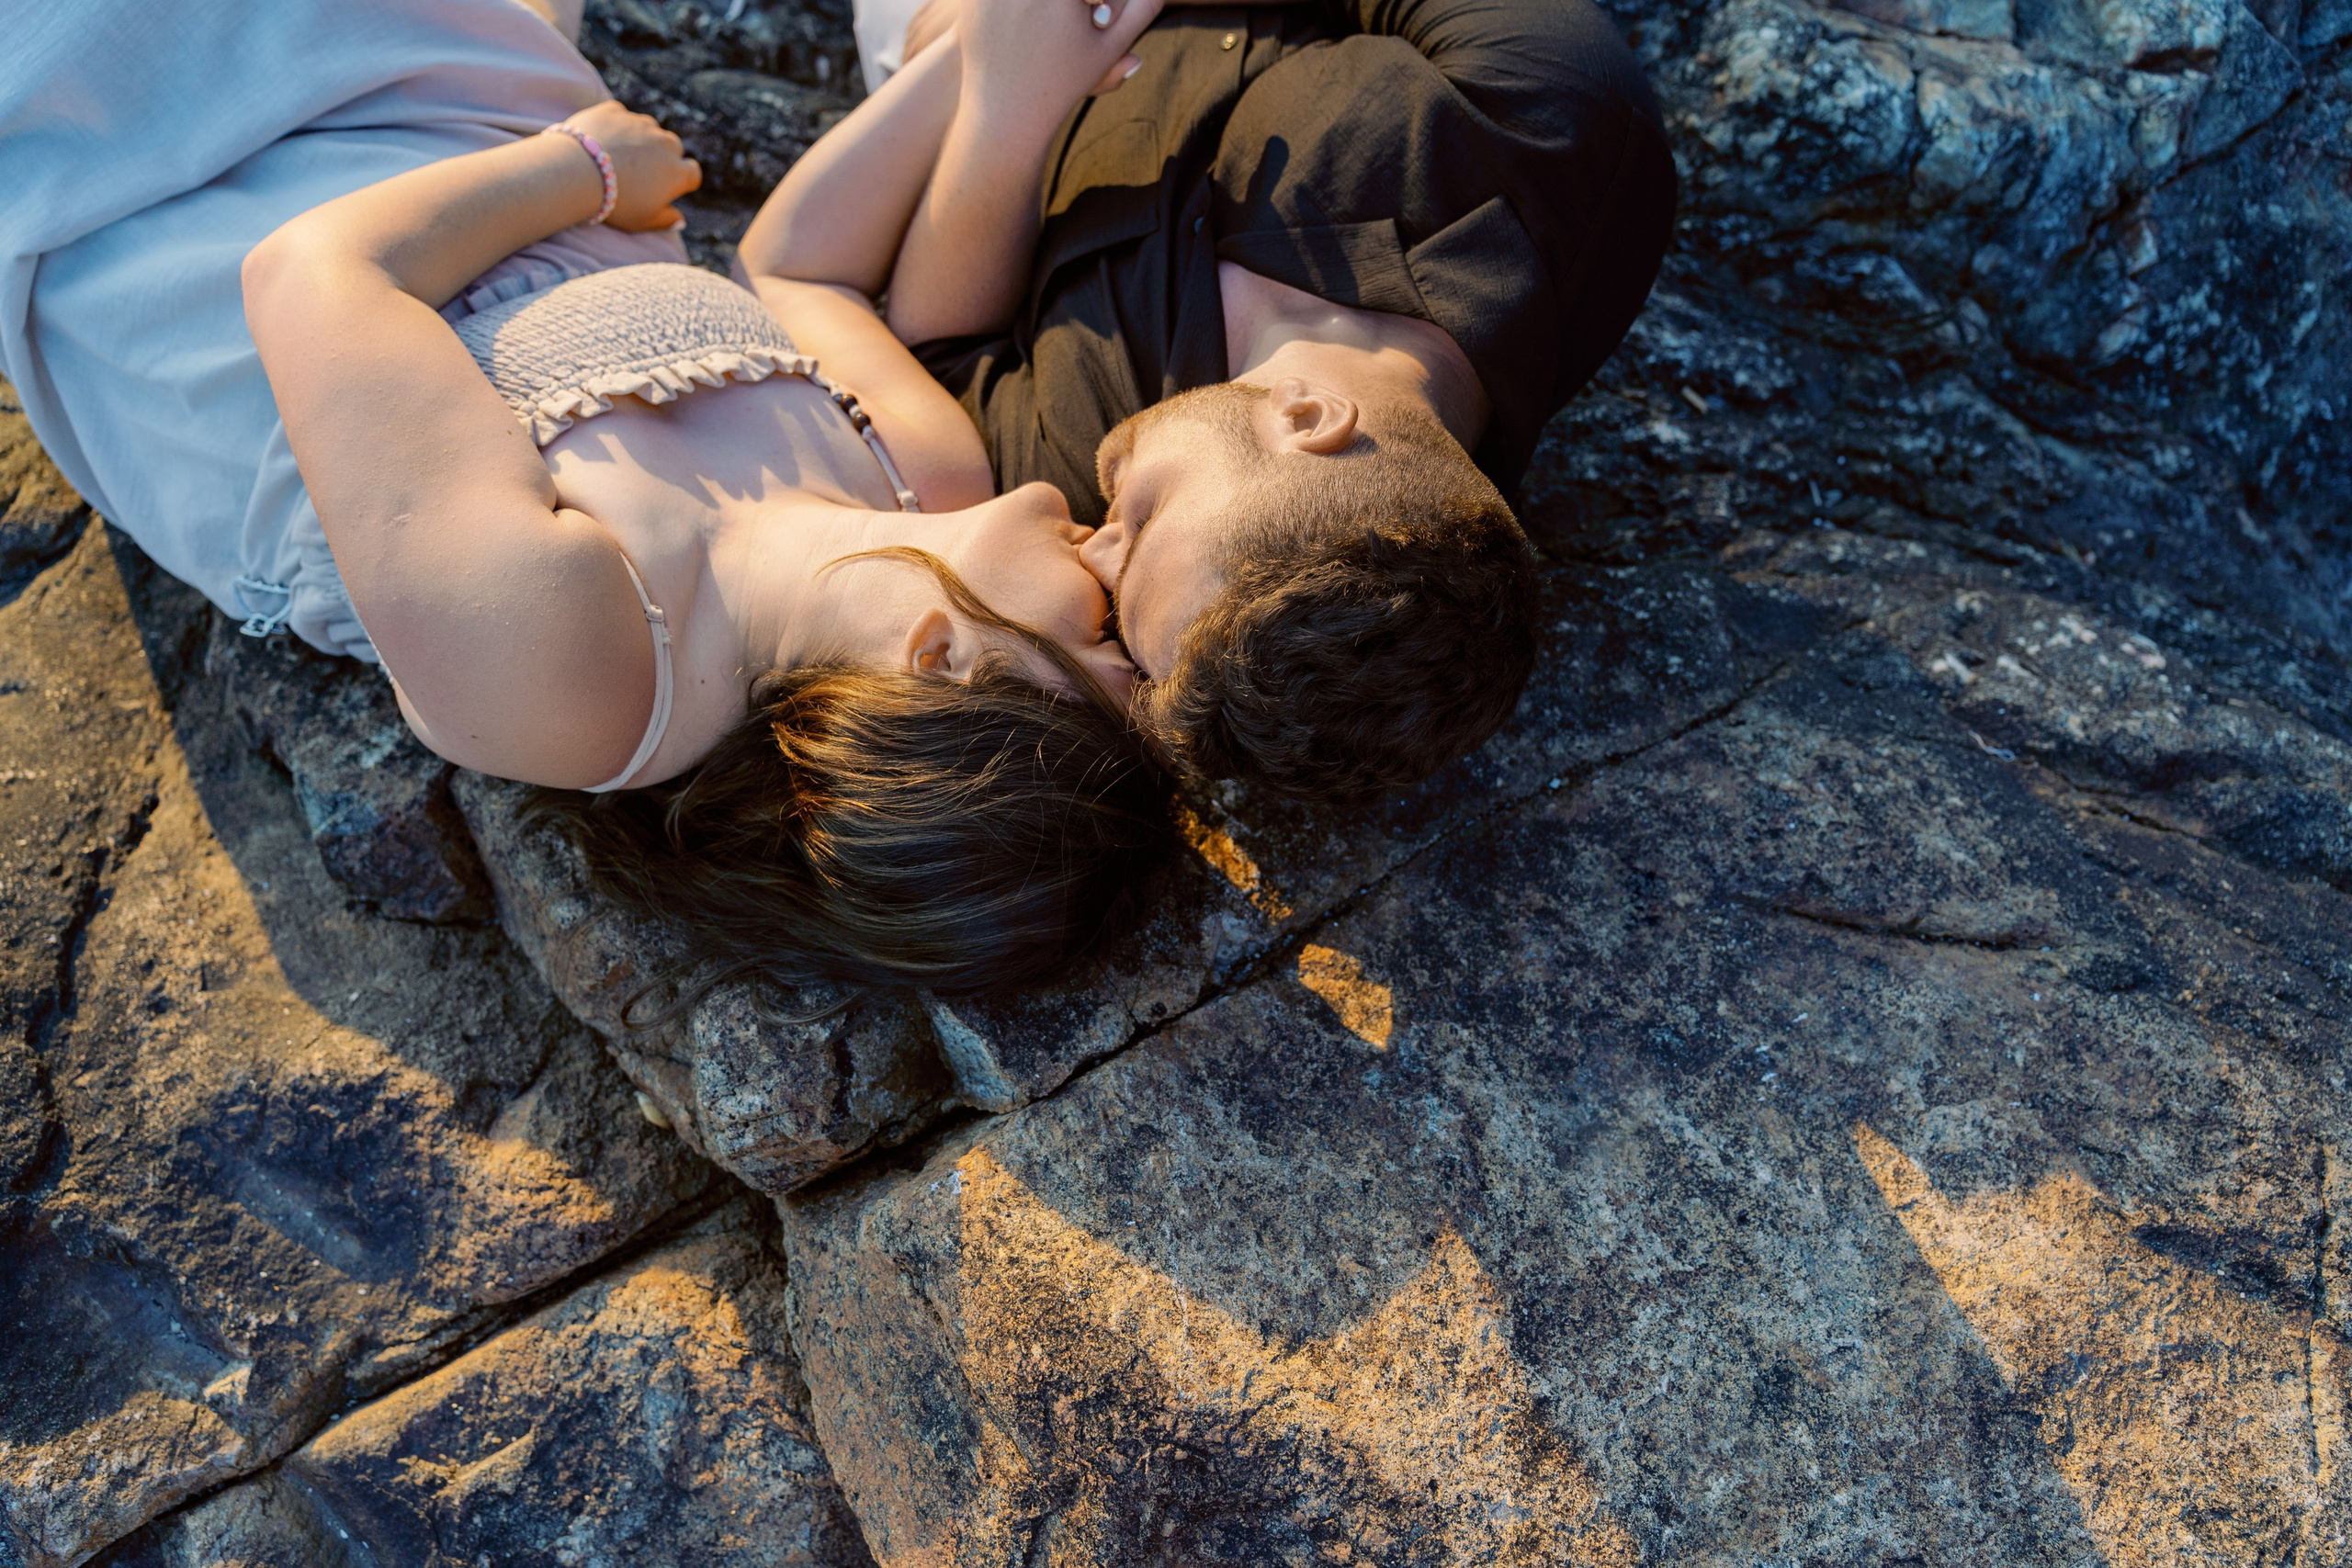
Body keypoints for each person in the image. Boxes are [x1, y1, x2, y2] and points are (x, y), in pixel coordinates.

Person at [0, 0, 1171, 998]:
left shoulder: (574, 683)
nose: (1120, 569)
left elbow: (312, 278)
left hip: (163, 170)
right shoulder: (923, 475)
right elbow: (796, 269)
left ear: (941, 664)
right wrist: (1000, 60)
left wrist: (588, 172)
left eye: (1103, 638)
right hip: (452, 77)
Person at [866, 0, 1678, 802]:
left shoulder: (1092, 474)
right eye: (1142, 527)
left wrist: (998, 103)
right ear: (1307, 418)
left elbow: (935, 346)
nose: (1089, 555)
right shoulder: (1549, 131)